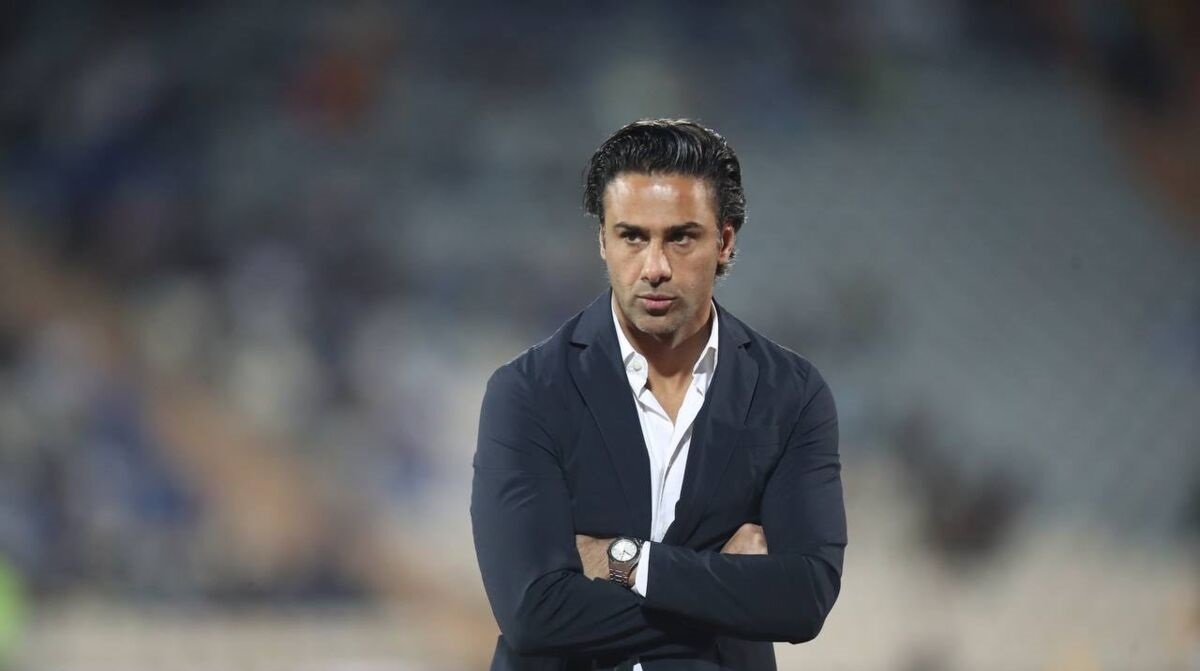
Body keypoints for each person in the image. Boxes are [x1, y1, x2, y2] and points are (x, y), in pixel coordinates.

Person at [471, 119, 847, 670]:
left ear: (725, 242)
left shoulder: (790, 394)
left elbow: (803, 599)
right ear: (603, 241)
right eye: (632, 237)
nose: (654, 268)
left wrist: (625, 561)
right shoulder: (527, 393)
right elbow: (533, 612)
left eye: (680, 237)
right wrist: (727, 592)